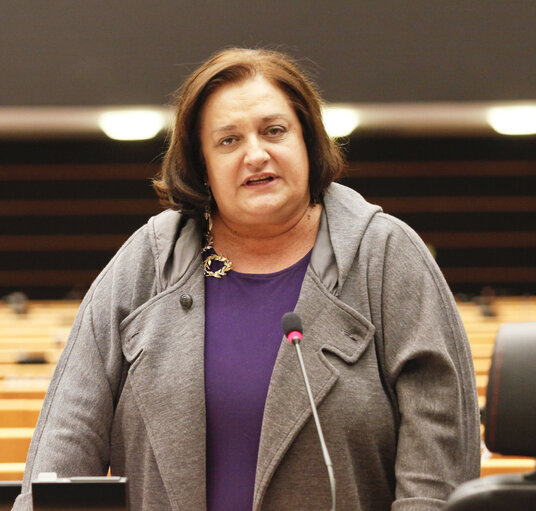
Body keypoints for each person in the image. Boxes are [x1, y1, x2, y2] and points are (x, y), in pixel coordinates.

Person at [13, 48, 480, 510]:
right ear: (202, 167)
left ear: (307, 141)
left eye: (274, 131)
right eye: (229, 141)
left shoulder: (386, 254)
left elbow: (437, 467)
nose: (256, 154)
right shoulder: (148, 260)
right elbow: (67, 434)